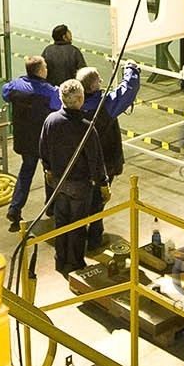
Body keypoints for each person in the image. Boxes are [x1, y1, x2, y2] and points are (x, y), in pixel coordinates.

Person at [38, 79, 107, 275]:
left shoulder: (50, 121)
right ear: (79, 99)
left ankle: (60, 260)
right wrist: (103, 184)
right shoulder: (85, 127)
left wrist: (49, 170)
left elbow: (43, 149)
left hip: (58, 183)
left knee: (61, 222)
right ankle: (75, 264)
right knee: (77, 225)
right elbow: (95, 159)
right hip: (79, 185)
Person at [77, 62, 141, 250]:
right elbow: (128, 89)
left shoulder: (72, 104)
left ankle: (77, 236)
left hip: (79, 164)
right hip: (105, 163)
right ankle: (94, 238)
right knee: (98, 201)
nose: (102, 81)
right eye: (98, 80)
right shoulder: (106, 105)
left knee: (82, 200)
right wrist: (131, 69)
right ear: (92, 86)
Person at [1, 55, 60, 232]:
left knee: (26, 172)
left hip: (24, 138)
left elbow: (6, 94)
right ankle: (51, 206)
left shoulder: (14, 85)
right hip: (44, 140)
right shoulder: (50, 91)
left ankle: (15, 208)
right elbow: (58, 107)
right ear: (41, 71)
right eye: (46, 67)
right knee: (50, 171)